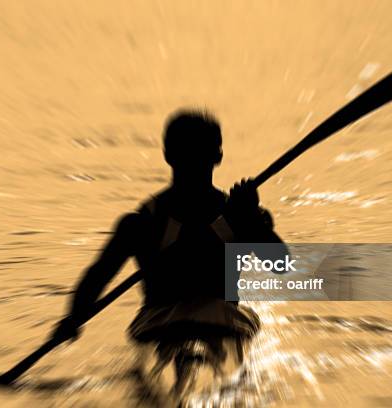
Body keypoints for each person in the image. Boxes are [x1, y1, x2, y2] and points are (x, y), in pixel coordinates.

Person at [53, 109, 286, 396]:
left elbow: (97, 277)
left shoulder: (139, 222)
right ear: (218, 157)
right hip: (219, 323)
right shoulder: (239, 216)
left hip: (159, 325)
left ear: (167, 156)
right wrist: (252, 219)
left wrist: (72, 319)